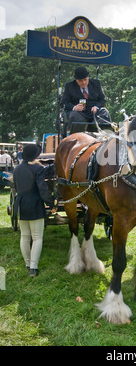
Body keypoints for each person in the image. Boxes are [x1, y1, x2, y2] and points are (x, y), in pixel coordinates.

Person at [13, 144, 57, 277]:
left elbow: (16, 186)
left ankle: (27, 264)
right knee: (37, 238)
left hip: (21, 204)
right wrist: (51, 204)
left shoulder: (17, 168)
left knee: (25, 236)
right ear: (35, 156)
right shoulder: (38, 168)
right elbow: (42, 188)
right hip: (35, 204)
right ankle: (33, 267)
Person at [62, 66, 111, 133]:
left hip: (94, 113)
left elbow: (103, 100)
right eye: (81, 81)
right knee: (74, 116)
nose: (84, 82)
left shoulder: (96, 84)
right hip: (79, 113)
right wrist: (74, 107)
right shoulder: (69, 86)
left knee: (105, 112)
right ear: (76, 80)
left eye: (85, 79)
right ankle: (77, 138)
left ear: (88, 77)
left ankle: (104, 136)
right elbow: (64, 103)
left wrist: (96, 107)